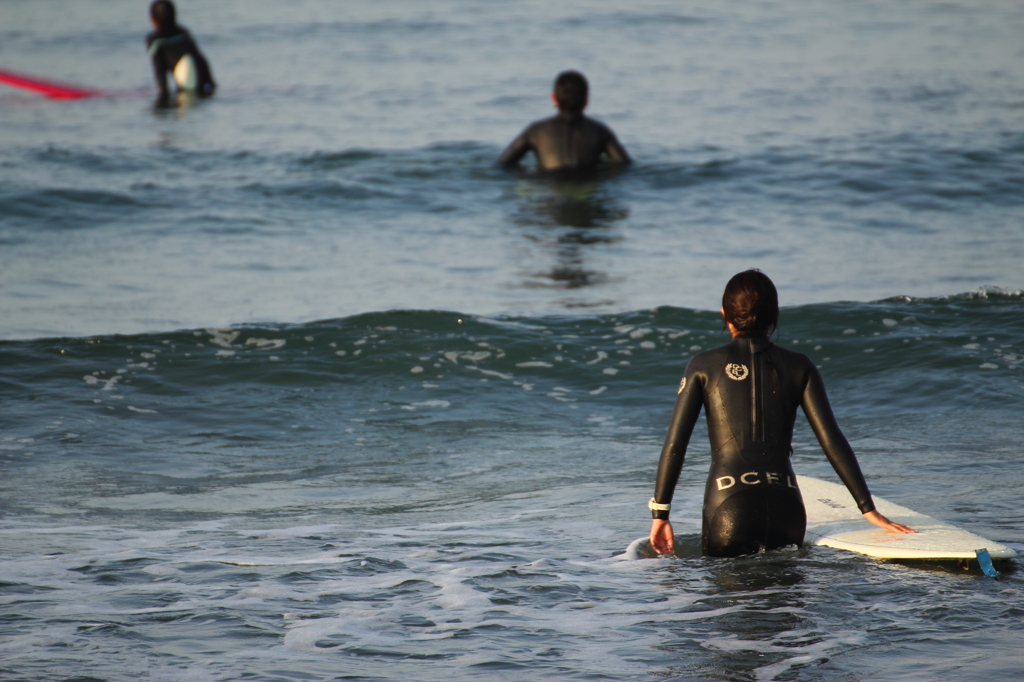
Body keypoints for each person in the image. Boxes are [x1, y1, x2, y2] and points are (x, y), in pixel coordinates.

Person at [649, 270, 915, 557]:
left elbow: (676, 444)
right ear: (774, 314)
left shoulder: (702, 365)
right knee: (785, 599)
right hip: (786, 506)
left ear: (724, 313)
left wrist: (660, 515)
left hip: (728, 506)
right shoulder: (800, 366)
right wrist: (869, 509)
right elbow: (831, 440)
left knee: (730, 599)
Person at [498, 71, 631, 173]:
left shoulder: (535, 131)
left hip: (550, 194)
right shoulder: (600, 132)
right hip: (585, 193)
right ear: (586, 100)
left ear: (554, 98)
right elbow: (625, 166)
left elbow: (503, 164)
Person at [146, 0, 215, 106]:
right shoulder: (184, 33)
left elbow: (159, 70)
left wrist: (163, 95)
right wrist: (211, 84)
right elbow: (200, 59)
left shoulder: (154, 40)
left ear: (153, 18)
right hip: (203, 79)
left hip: (187, 84)